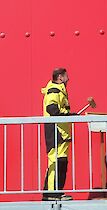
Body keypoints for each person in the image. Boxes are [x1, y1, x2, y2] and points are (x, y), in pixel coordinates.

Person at [41, 68, 76, 201]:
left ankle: (57, 192)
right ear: (60, 77)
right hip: (56, 130)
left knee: (61, 162)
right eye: (67, 76)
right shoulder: (54, 90)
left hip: (62, 132)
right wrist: (68, 115)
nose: (69, 78)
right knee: (56, 161)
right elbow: (52, 109)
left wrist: (69, 116)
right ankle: (51, 193)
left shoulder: (59, 90)